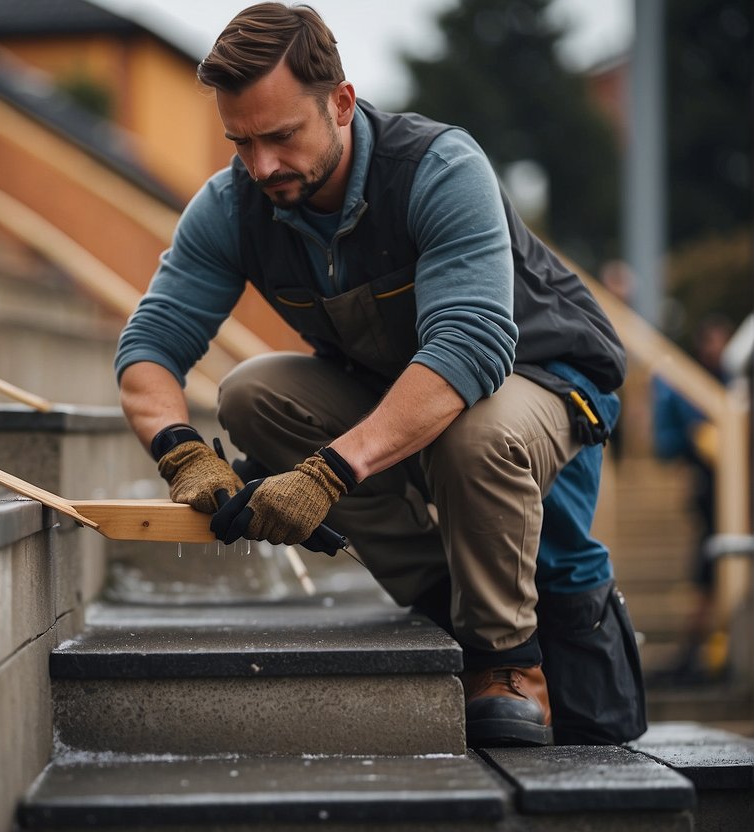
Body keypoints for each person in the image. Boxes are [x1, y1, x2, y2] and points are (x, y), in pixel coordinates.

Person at [116, 2, 645, 747]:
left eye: (280, 137)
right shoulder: (231, 206)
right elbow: (148, 346)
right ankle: (442, 602)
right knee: (250, 394)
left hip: (542, 377)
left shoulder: (438, 168)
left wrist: (325, 475)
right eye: (241, 143)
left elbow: (466, 348)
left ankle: (504, 663)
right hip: (401, 388)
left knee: (477, 439)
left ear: (340, 102)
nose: (262, 165)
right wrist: (180, 451)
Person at [650, 314, 734, 683]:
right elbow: (668, 445)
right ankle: (698, 651)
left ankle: (703, 649)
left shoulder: (731, 382)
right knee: (707, 570)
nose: (714, 348)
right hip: (710, 491)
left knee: (712, 570)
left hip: (730, 493)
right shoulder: (690, 388)